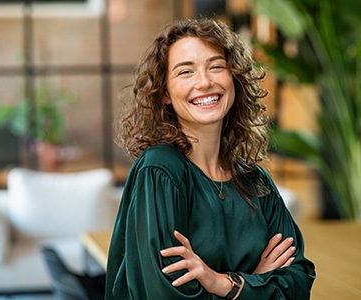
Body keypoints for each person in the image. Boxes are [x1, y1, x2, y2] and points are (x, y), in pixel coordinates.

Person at [105, 18, 315, 299]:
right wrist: (256, 282)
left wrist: (223, 283)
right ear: (165, 92)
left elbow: (298, 282)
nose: (204, 82)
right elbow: (164, 295)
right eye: (185, 72)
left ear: (234, 79)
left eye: (216, 67)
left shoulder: (254, 180)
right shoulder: (160, 171)